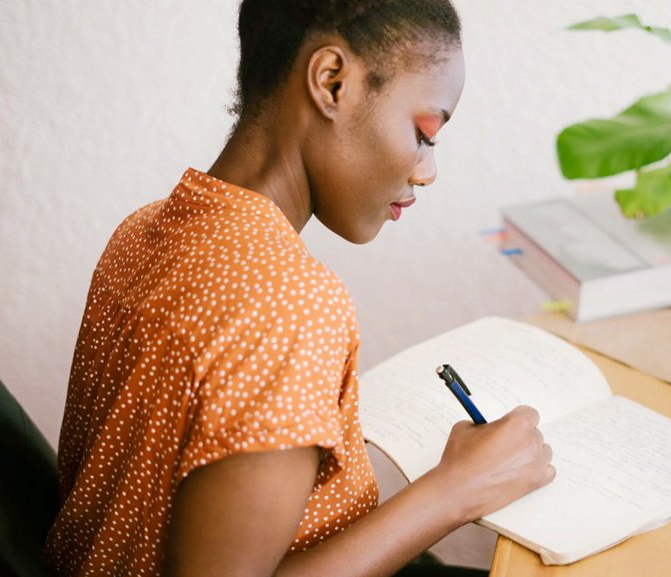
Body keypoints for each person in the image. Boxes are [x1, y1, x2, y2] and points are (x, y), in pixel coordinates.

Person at [43, 1, 555, 576]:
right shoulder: (288, 303)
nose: (426, 170)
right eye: (423, 133)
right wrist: (456, 491)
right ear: (331, 81)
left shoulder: (144, 229)